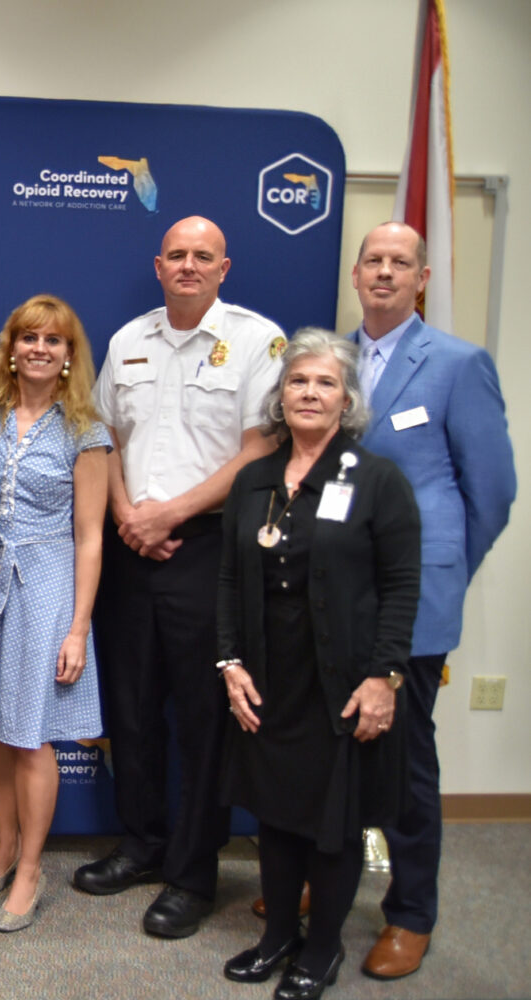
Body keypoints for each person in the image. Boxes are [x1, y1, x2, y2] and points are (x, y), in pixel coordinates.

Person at [78, 215, 284, 938]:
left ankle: (194, 872)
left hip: (209, 549)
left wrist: (171, 514)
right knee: (132, 709)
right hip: (130, 544)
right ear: (158, 266)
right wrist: (127, 514)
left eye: (203, 256)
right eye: (177, 255)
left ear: (224, 268)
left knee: (203, 719)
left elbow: (260, 452)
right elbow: (102, 438)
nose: (188, 266)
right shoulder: (127, 341)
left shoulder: (257, 341)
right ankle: (141, 844)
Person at [218, 329, 420, 1000]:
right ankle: (278, 937)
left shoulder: (378, 480)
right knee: (276, 814)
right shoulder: (253, 479)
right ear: (280, 396)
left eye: (325, 383)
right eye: (298, 381)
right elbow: (228, 579)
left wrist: (384, 677)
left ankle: (324, 948)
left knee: (333, 821)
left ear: (347, 400)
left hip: (342, 681)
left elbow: (401, 586)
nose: (309, 392)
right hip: (269, 676)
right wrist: (230, 662)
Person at [347, 222, 515, 980]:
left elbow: (493, 492)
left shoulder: (457, 364)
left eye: (400, 263)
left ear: (421, 279)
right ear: (357, 274)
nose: (385, 273)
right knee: (331, 747)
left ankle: (411, 913)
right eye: (374, 261)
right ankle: (328, 879)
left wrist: (446, 569)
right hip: (337, 592)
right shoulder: (329, 359)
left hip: (413, 596)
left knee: (404, 755)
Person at [0, 294, 110, 933]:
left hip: (46, 586)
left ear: (69, 355)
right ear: (10, 348)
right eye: (28, 337)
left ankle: (32, 869)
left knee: (30, 735)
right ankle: (5, 844)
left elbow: (91, 536)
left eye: (53, 340)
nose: (39, 349)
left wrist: (78, 628)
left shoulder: (86, 430)